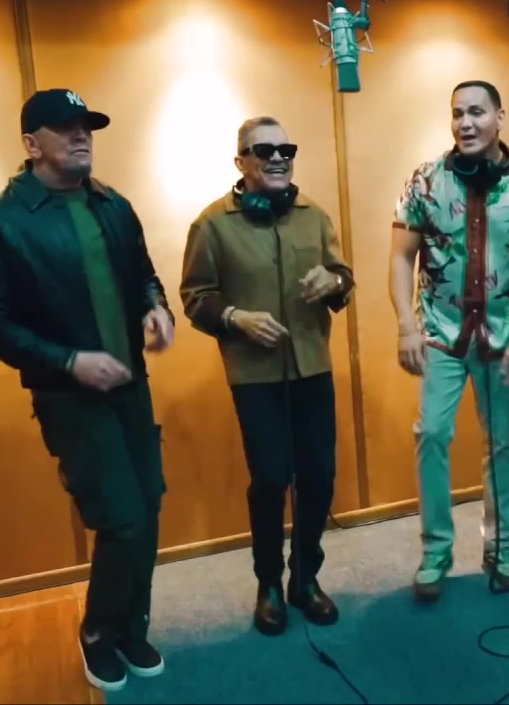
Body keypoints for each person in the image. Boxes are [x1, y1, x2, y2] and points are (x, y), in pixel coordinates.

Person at [0, 89, 175, 692]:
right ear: (32, 144)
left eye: (87, 126)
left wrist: (156, 308)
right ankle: (98, 633)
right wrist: (68, 360)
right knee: (122, 518)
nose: (82, 136)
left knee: (148, 507)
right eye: (65, 127)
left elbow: (144, 274)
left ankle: (131, 627)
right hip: (68, 397)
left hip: (130, 385)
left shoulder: (113, 204)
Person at [179, 116, 354, 636]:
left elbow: (344, 277)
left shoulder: (313, 215)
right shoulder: (212, 225)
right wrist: (236, 318)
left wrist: (334, 282)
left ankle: (305, 577)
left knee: (319, 476)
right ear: (241, 162)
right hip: (254, 377)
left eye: (286, 149)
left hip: (312, 367)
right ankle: (269, 583)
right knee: (272, 479)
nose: (278, 158)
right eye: (264, 150)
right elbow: (195, 298)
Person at [389, 81, 509, 602]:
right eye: (457, 113)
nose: (465, 123)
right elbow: (401, 257)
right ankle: (436, 552)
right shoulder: (425, 180)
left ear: (500, 118)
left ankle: (500, 548)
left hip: (503, 337)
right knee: (432, 434)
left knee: (500, 443)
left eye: (477, 112)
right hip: (442, 334)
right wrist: (406, 325)